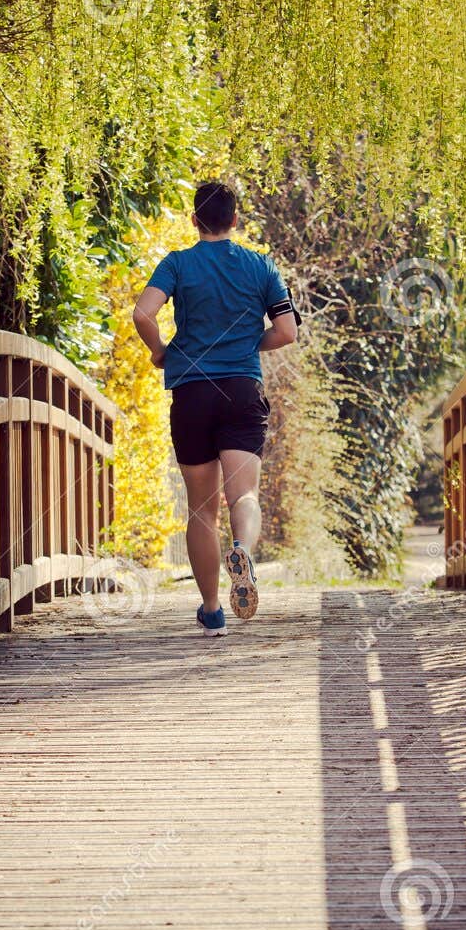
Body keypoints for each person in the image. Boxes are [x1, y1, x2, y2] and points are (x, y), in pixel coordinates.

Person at [132, 182, 299, 637]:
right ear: (235, 220)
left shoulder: (178, 263)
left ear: (193, 221)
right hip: (242, 390)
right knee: (243, 495)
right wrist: (249, 343)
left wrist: (160, 352)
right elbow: (286, 332)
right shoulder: (260, 266)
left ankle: (211, 612)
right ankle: (242, 548)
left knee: (202, 509)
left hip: (193, 391)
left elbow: (143, 315)